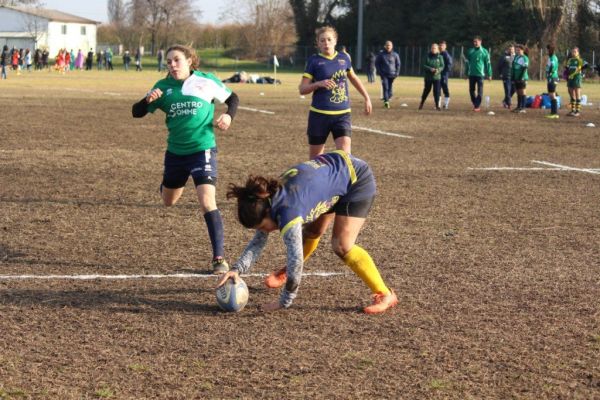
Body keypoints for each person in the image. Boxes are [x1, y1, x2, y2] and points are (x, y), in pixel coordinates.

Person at [219, 151, 398, 314]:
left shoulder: (289, 212)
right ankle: (287, 272)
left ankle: (384, 293)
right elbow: (259, 241)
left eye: (262, 227)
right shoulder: (267, 198)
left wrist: (284, 301)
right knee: (313, 230)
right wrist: (237, 270)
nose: (264, 232)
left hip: (356, 179)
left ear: (267, 212)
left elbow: (296, 260)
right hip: (333, 175)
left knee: (342, 245)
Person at [131, 44, 239, 274]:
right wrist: (147, 101)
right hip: (176, 154)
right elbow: (136, 112)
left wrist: (228, 116)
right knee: (169, 201)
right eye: (168, 61)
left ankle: (219, 258)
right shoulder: (163, 87)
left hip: (203, 150)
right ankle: (167, 184)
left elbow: (233, 98)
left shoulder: (206, 81)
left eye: (176, 60)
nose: (172, 65)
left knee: (207, 201)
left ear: (189, 60)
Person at [299, 26, 372, 159]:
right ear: (318, 43)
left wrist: (367, 97)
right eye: (322, 40)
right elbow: (302, 89)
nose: (326, 43)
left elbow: (354, 78)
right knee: (316, 160)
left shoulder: (344, 58)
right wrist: (318, 84)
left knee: (345, 157)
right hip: (319, 115)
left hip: (342, 115)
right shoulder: (314, 61)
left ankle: (344, 180)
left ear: (335, 41)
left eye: (329, 39)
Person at [465, 36, 492, 112]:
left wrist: (489, 74)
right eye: (474, 42)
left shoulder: (484, 51)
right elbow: (467, 63)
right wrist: (466, 73)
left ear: (480, 42)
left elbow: (488, 64)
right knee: (471, 90)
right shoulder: (470, 51)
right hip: (471, 74)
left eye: (476, 41)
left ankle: (477, 106)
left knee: (480, 90)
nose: (475, 43)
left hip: (480, 75)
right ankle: (475, 104)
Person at [418, 43, 444, 111]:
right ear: (430, 49)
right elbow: (423, 65)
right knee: (426, 90)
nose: (433, 49)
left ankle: (437, 106)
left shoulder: (440, 57)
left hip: (437, 77)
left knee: (437, 92)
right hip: (428, 77)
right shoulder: (427, 56)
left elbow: (442, 66)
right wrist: (430, 69)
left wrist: (437, 70)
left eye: (435, 48)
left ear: (437, 49)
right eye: (432, 48)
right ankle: (422, 103)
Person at [375, 40, 401, 108]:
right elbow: (377, 63)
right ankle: (386, 102)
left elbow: (398, 64)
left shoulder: (395, 55)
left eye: (389, 45)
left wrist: (397, 72)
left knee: (390, 89)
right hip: (384, 74)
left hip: (392, 74)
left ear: (392, 46)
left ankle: (388, 98)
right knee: (385, 87)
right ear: (385, 46)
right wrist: (380, 71)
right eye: (387, 45)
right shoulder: (381, 55)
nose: (388, 47)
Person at [565, 47, 587, 117]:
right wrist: (566, 75)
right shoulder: (570, 60)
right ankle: (572, 110)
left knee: (577, 94)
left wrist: (582, 72)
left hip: (577, 78)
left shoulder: (580, 60)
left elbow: (583, 67)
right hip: (571, 79)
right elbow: (567, 69)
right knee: (572, 95)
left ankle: (577, 111)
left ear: (578, 53)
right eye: (573, 52)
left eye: (575, 52)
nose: (573, 53)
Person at [511, 44, 529, 113]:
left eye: (519, 50)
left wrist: (521, 77)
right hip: (516, 77)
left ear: (523, 50)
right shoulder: (516, 57)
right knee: (518, 92)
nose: (517, 51)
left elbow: (525, 68)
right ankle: (519, 107)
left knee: (523, 92)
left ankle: (523, 108)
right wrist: (513, 77)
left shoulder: (525, 58)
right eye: (517, 50)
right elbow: (513, 67)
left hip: (522, 78)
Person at [497, 44, 515, 109]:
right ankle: (509, 104)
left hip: (514, 77)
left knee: (513, 90)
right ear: (508, 49)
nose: (511, 50)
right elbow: (499, 66)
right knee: (507, 90)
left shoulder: (516, 56)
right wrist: (500, 73)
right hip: (506, 76)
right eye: (510, 49)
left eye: (512, 49)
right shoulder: (504, 56)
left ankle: (505, 101)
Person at [545, 44, 560, 119]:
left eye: (547, 49)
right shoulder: (551, 57)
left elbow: (552, 67)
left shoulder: (552, 57)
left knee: (552, 95)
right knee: (551, 95)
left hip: (553, 78)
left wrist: (549, 73)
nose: (546, 51)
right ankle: (553, 112)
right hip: (552, 78)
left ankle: (554, 113)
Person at [439, 41, 453, 109]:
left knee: (445, 89)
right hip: (438, 75)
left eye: (442, 45)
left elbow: (449, 64)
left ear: (445, 46)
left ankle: (446, 105)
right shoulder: (438, 54)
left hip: (444, 75)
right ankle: (437, 104)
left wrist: (445, 73)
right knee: (437, 89)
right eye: (440, 45)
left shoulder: (446, 54)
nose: (441, 47)